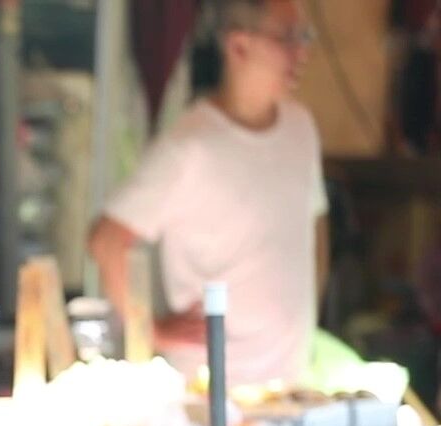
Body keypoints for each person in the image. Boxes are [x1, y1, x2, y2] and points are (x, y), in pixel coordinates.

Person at [89, 0, 327, 387]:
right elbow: (106, 241)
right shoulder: (189, 146)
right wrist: (150, 330)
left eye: (304, 36)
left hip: (290, 382)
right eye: (287, 37)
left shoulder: (301, 128)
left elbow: (312, 228)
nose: (301, 52)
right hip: (209, 388)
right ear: (238, 46)